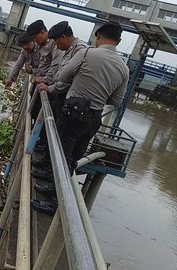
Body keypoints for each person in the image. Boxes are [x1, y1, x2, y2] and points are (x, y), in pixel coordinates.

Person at [31, 21, 129, 215]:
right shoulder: (124, 68)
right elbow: (116, 100)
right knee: (73, 159)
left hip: (73, 113)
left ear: (98, 35)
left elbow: (62, 75)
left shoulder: (86, 53)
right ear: (118, 41)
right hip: (94, 117)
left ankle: (54, 203)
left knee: (60, 157)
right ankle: (54, 191)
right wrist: (97, 96)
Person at [31, 21, 89, 182]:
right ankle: (46, 166)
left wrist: (50, 88)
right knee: (55, 130)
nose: (55, 44)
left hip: (69, 99)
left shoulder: (81, 51)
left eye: (56, 41)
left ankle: (52, 182)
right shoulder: (70, 50)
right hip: (62, 95)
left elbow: (66, 78)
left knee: (62, 140)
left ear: (64, 37)